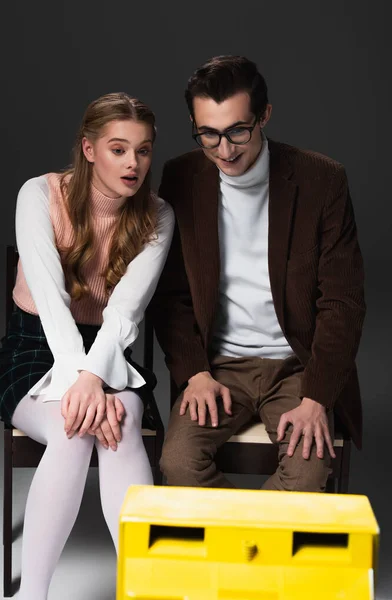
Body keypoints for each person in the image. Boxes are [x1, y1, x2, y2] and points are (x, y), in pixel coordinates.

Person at [150, 55, 365, 492]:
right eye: (208, 134)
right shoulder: (181, 176)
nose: (224, 150)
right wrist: (194, 374)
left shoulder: (322, 180)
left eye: (237, 132)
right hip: (217, 367)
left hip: (297, 364)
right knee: (177, 463)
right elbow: (171, 296)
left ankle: (241, 551)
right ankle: (250, 550)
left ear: (264, 116)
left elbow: (342, 302)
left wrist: (317, 397)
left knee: (306, 475)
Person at [0, 92, 174, 600]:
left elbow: (126, 310)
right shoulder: (39, 194)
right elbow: (50, 300)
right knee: (75, 432)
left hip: (109, 352)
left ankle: (140, 589)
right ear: (88, 149)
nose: (132, 163)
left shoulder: (158, 215)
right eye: (118, 149)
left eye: (142, 150)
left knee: (120, 422)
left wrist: (94, 376)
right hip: (35, 348)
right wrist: (79, 379)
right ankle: (33, 594)